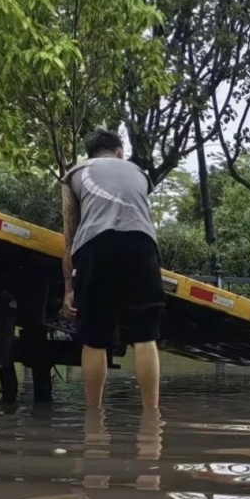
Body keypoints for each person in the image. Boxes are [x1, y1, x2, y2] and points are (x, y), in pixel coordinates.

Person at [61, 130, 164, 409]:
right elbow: (141, 215)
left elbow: (69, 236)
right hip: (142, 247)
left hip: (96, 247)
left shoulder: (75, 173)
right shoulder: (139, 173)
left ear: (90, 153)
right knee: (145, 335)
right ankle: (151, 423)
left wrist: (69, 289)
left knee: (94, 338)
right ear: (119, 152)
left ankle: (93, 421)